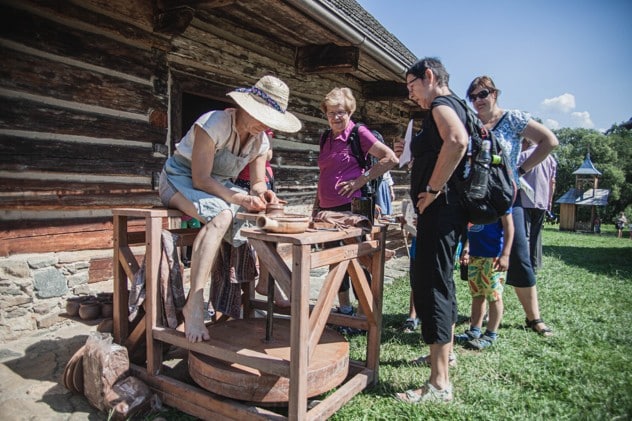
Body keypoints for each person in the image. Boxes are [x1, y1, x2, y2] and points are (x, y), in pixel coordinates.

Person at [158, 75, 301, 342]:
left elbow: (257, 182)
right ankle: (195, 303)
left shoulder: (261, 141)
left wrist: (264, 194)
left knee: (258, 216)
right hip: (179, 179)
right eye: (262, 116)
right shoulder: (214, 122)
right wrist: (239, 199)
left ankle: (265, 282)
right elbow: (200, 179)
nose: (264, 125)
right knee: (222, 215)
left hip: (218, 185)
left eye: (270, 121)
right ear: (246, 107)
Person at [394, 58, 469, 404]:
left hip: (439, 210)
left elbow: (457, 141)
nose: (412, 96)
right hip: (446, 212)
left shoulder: (440, 103)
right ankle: (444, 355)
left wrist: (434, 188)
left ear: (429, 77)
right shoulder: (456, 104)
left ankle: (439, 384)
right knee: (442, 281)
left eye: (412, 87)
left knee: (433, 285)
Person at [466, 75, 558, 337]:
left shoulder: (513, 119)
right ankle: (478, 317)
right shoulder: (471, 123)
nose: (477, 101)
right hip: (477, 199)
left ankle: (534, 318)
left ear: (494, 93)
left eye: (482, 94)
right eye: (472, 97)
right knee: (477, 255)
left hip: (507, 197)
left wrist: (521, 170)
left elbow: (549, 141)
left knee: (518, 254)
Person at [312, 87, 398, 328]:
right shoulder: (325, 137)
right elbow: (324, 174)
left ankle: (365, 313)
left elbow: (390, 158)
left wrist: (360, 181)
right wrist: (315, 207)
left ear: (349, 112)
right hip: (326, 212)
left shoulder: (358, 133)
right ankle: (344, 310)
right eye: (331, 113)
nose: (336, 117)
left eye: (340, 112)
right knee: (333, 261)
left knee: (360, 259)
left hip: (352, 208)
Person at [455, 211, 514, 350]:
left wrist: (505, 254)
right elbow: (471, 226)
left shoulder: (500, 200)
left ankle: (490, 334)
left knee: (494, 296)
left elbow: (509, 226)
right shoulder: (475, 202)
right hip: (475, 255)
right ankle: (474, 330)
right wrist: (467, 247)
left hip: (493, 257)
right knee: (477, 294)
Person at [519, 138, 557, 272]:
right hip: (542, 201)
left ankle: (524, 265)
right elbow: (552, 182)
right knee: (537, 234)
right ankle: (535, 264)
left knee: (525, 234)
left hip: (524, 200)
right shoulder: (550, 158)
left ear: (525, 142)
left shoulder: (522, 156)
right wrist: (549, 201)